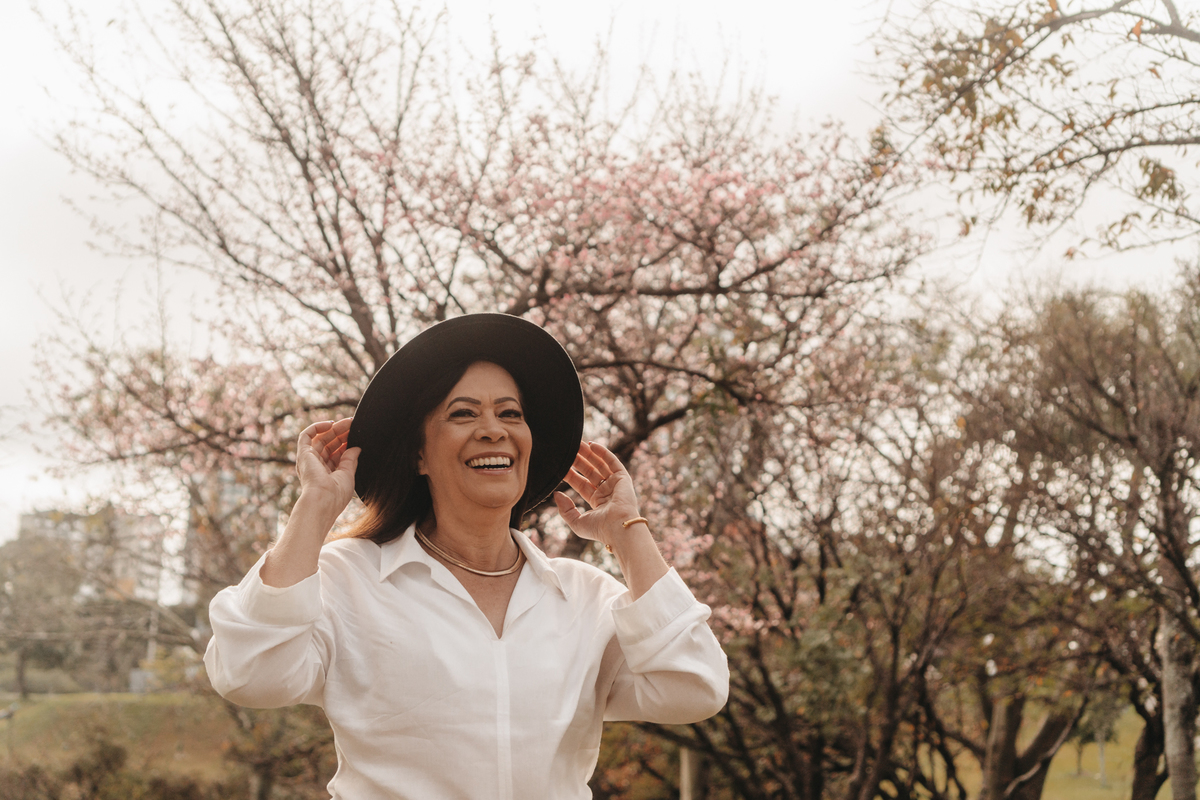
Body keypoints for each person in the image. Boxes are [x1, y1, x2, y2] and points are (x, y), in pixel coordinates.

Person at [204, 313, 728, 799]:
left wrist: (627, 533)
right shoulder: (349, 578)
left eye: (510, 413)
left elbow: (696, 686)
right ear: (419, 454)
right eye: (463, 413)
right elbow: (250, 673)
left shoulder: (585, 597)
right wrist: (316, 506)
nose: (494, 429)